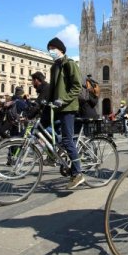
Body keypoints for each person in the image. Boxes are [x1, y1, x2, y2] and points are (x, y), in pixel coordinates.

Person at [47, 37, 84, 189]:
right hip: (56, 107)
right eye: (49, 49)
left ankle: (77, 173)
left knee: (68, 140)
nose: (50, 52)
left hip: (68, 107)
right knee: (52, 135)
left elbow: (77, 87)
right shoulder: (54, 67)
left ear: (60, 49)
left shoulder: (70, 64)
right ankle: (62, 159)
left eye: (52, 49)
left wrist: (63, 99)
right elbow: (52, 89)